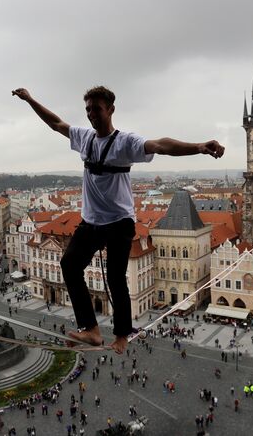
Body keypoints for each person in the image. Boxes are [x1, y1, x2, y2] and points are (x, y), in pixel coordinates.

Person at [13, 86, 224, 353]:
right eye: (88, 109)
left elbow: (161, 145)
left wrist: (199, 147)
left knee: (115, 276)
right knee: (68, 264)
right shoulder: (85, 138)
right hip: (91, 221)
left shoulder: (125, 142)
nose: (91, 115)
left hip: (120, 222)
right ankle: (90, 329)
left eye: (96, 109)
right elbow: (56, 123)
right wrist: (30, 100)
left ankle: (122, 333)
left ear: (110, 109)